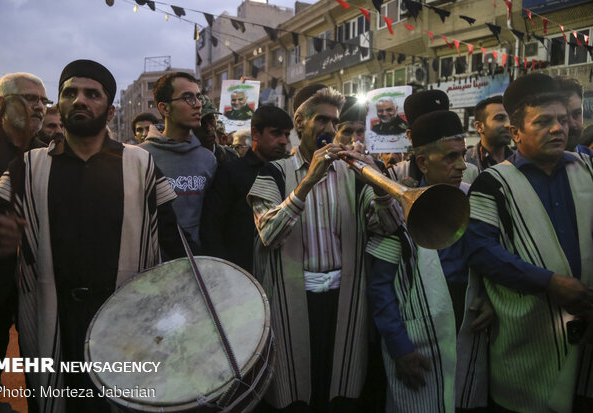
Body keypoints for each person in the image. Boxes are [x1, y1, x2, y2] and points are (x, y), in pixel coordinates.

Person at [0, 60, 186, 413]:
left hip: (125, 315)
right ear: (59, 103)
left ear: (110, 109)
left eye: (92, 94)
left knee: (121, 402)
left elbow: (170, 238)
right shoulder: (27, 167)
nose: (80, 101)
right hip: (53, 317)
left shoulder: (140, 164)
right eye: (70, 93)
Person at [249, 87, 403, 412]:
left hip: (343, 299)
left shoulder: (352, 173)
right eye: (321, 120)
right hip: (293, 301)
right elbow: (269, 233)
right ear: (300, 122)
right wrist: (306, 183)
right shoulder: (274, 173)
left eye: (334, 122)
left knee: (339, 389)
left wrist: (380, 187)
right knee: (296, 392)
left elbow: (387, 225)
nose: (330, 130)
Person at [467, 73, 593, 412]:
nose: (558, 129)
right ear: (515, 133)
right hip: (527, 340)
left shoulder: (587, 168)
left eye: (563, 120)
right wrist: (550, 283)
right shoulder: (492, 183)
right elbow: (481, 251)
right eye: (544, 121)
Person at [368, 110, 493, 412]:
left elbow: (488, 259)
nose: (463, 166)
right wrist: (400, 348)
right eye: (451, 157)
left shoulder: (473, 197)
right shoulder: (397, 207)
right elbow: (380, 287)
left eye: (463, 155)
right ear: (423, 162)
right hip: (416, 341)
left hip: (468, 331)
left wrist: (490, 299)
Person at [0, 72, 49, 413]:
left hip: (40, 297)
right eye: (30, 99)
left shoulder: (50, 157)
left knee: (42, 382)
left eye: (43, 101)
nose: (39, 108)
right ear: (3, 104)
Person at [200, 105, 293, 273]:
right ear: (256, 133)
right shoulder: (231, 172)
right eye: (276, 133)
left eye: (286, 135)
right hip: (242, 273)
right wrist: (224, 272)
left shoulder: (290, 172)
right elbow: (211, 228)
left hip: (283, 272)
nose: (283, 141)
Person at [140, 72, 217, 249]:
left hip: (201, 262)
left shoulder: (208, 159)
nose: (198, 105)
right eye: (188, 98)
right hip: (156, 264)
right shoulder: (141, 157)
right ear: (164, 108)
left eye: (198, 97)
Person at [384, 90, 479, 185]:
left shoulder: (471, 174)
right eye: (427, 127)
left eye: (443, 122)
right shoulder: (394, 175)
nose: (461, 165)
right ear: (410, 136)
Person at [466, 95, 513, 170]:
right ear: (479, 127)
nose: (508, 125)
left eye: (511, 118)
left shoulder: (520, 161)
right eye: (500, 118)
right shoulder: (465, 162)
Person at [194, 96, 239, 164]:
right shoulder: (184, 159)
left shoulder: (230, 156)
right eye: (202, 122)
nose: (209, 128)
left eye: (211, 119)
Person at [554, 76, 583, 151]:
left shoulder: (589, 157)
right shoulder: (533, 161)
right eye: (564, 118)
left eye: (577, 114)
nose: (572, 124)